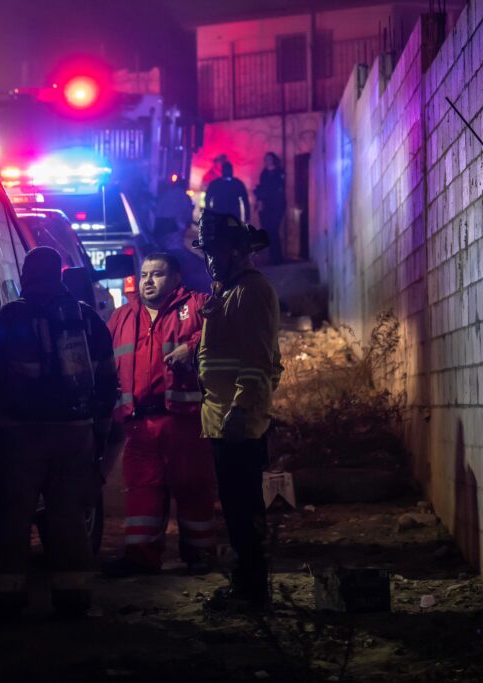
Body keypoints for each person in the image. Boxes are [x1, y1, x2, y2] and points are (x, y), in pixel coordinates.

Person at [0, 246, 117, 618]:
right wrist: (98, 428)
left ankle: (6, 595)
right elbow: (108, 379)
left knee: (12, 514)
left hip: (20, 433)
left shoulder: (5, 318)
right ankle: (73, 595)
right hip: (75, 433)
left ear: (24, 275)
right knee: (67, 513)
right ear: (60, 275)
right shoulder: (85, 319)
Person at [102, 252, 217, 577]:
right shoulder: (122, 317)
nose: (148, 281)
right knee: (142, 489)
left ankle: (200, 555)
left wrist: (192, 348)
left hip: (185, 419)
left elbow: (223, 330)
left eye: (158, 274)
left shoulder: (197, 306)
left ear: (177, 278)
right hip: (138, 424)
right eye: (144, 275)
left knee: (193, 486)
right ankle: (141, 556)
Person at [194, 212, 282, 609]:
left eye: (219, 250)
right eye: (208, 251)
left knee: (244, 509)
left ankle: (251, 589)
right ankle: (246, 585)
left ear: (239, 252)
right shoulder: (228, 291)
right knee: (234, 507)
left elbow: (257, 359)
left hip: (237, 423)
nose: (212, 259)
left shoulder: (250, 291)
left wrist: (242, 409)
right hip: (222, 418)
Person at [253, 152, 286, 265]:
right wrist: (259, 201)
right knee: (268, 231)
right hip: (266, 207)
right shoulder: (264, 174)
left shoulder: (279, 173)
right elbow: (262, 189)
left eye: (269, 159)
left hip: (276, 206)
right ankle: (273, 256)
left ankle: (277, 257)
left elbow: (278, 189)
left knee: (274, 230)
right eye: (266, 159)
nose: (268, 161)